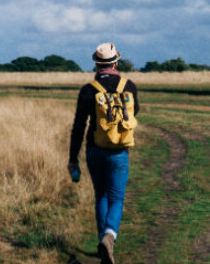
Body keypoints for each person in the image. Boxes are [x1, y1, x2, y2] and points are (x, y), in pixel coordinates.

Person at [68, 42, 140, 264]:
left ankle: (103, 242)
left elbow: (79, 126)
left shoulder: (88, 90)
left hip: (94, 149)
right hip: (119, 150)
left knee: (101, 196)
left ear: (96, 64)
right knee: (116, 196)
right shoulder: (129, 86)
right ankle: (110, 236)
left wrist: (73, 159)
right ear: (116, 63)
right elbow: (134, 112)